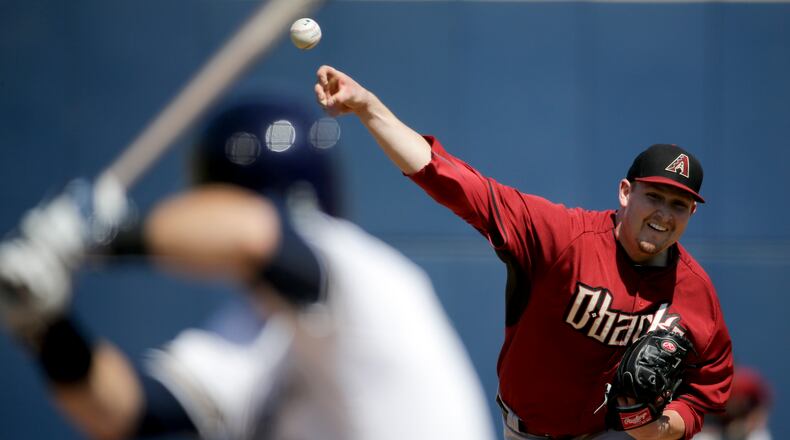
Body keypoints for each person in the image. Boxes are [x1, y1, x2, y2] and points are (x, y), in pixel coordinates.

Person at [0, 96, 496, 440]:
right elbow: (125, 413)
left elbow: (252, 234)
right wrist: (44, 323)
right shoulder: (267, 326)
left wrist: (94, 235)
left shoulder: (363, 273)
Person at [313, 65, 734, 440]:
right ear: (626, 193)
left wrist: (661, 428)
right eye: (654, 196)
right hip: (525, 431)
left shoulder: (694, 291)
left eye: (678, 204)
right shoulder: (563, 236)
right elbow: (451, 179)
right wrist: (369, 108)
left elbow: (708, 388)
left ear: (692, 212)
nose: (664, 213)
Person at [695, 365, 773, 440]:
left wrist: (747, 425)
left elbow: (762, 407)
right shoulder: (709, 388)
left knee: (759, 436)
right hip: (719, 430)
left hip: (745, 427)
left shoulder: (747, 383)